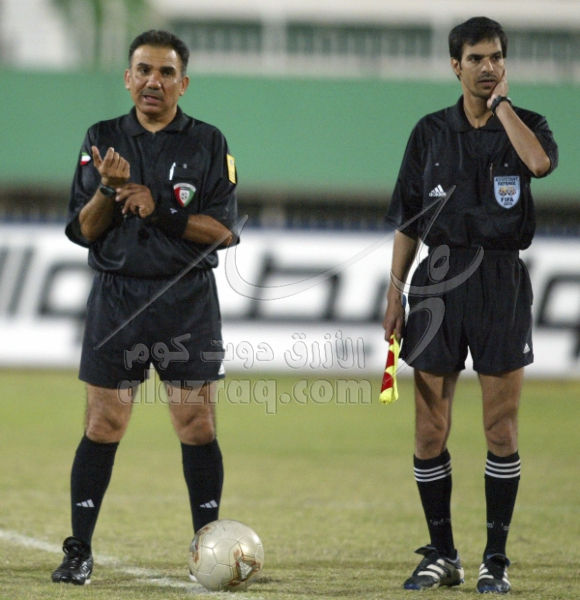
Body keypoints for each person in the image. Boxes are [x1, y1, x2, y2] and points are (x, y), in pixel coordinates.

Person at [52, 30, 239, 585]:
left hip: (186, 301)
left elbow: (224, 232)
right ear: (128, 78)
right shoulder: (102, 138)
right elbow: (83, 232)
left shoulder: (208, 142)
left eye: (165, 72)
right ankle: (79, 550)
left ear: (184, 82)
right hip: (118, 299)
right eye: (143, 70)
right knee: (103, 423)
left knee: (196, 424)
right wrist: (107, 191)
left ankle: (207, 546)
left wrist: (160, 211)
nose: (153, 81)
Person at [383, 17, 558, 594]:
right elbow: (409, 218)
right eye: (477, 58)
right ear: (454, 65)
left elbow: (539, 165)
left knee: (500, 428)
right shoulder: (429, 132)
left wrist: (502, 108)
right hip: (437, 278)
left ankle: (495, 559)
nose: (489, 67)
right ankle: (442, 555)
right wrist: (394, 290)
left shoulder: (528, 124)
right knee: (429, 429)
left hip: (501, 277)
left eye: (497, 57)